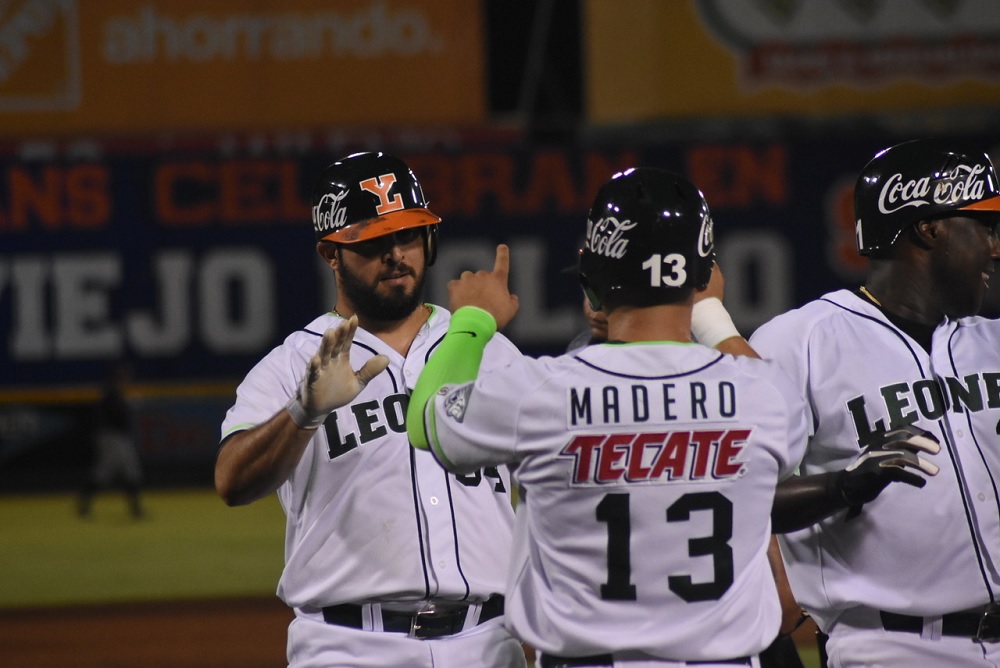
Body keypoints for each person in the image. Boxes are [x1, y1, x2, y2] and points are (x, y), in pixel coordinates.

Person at [406, 167, 812, 666]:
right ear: (706, 275)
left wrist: (471, 321)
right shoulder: (765, 393)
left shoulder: (542, 392)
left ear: (594, 275)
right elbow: (785, 439)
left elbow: (426, 420)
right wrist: (710, 316)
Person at [215, 151, 528, 668]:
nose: (395, 254)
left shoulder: (482, 347)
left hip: (489, 642)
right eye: (373, 242)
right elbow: (232, 480)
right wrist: (303, 411)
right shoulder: (296, 363)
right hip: (349, 647)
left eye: (407, 236)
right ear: (330, 254)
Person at [748, 139, 1000, 667]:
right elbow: (737, 496)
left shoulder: (992, 341)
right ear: (930, 228)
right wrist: (840, 486)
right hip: (894, 646)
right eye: (984, 226)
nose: (995, 247)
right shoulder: (802, 342)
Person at [78, 360, 144, 519]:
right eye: (125, 377)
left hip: (113, 438)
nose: (128, 380)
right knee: (110, 472)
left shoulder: (114, 394)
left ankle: (135, 509)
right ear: (120, 378)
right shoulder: (112, 395)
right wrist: (130, 407)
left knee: (124, 471)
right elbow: (118, 417)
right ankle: (85, 503)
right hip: (112, 438)